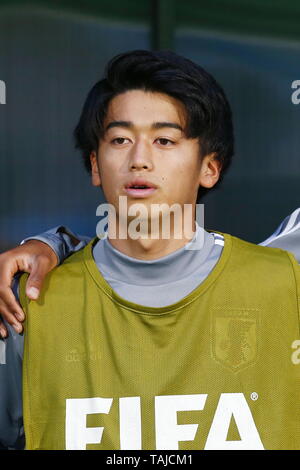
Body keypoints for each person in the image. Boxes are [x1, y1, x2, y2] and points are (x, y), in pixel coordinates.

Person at [0, 50, 299, 450]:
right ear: (94, 163)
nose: (139, 160)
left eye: (164, 139)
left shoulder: (287, 284)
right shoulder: (26, 302)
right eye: (120, 139)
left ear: (210, 166)